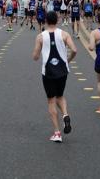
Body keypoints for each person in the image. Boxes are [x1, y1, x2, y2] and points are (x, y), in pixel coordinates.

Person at [32, 11, 77, 143]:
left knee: (51, 100)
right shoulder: (64, 34)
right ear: (57, 20)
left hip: (48, 71)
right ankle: (65, 115)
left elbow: (35, 57)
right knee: (60, 96)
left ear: (45, 21)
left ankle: (57, 132)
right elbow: (74, 50)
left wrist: (38, 54)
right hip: (62, 70)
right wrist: (68, 60)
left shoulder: (40, 37)